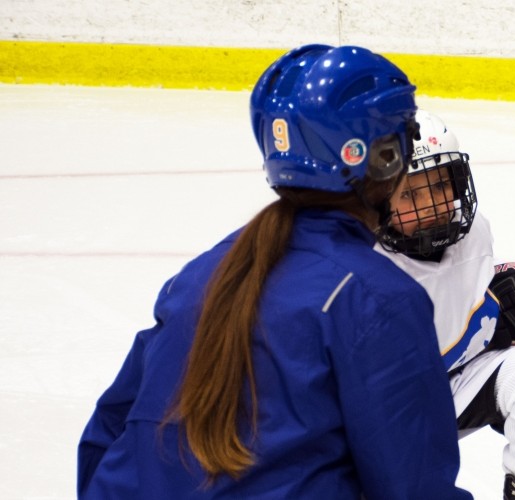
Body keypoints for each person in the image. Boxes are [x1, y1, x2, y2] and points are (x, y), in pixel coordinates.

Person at [77, 45, 471, 499]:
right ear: (387, 158)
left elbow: (107, 433)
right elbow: (415, 488)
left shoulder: (204, 272)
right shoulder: (375, 298)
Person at [375, 110, 515, 500]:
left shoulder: (474, 230)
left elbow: (452, 298)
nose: (430, 205)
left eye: (439, 186)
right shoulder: (363, 262)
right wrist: (487, 320)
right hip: (376, 418)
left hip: (447, 386)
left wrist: (496, 300)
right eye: (410, 193)